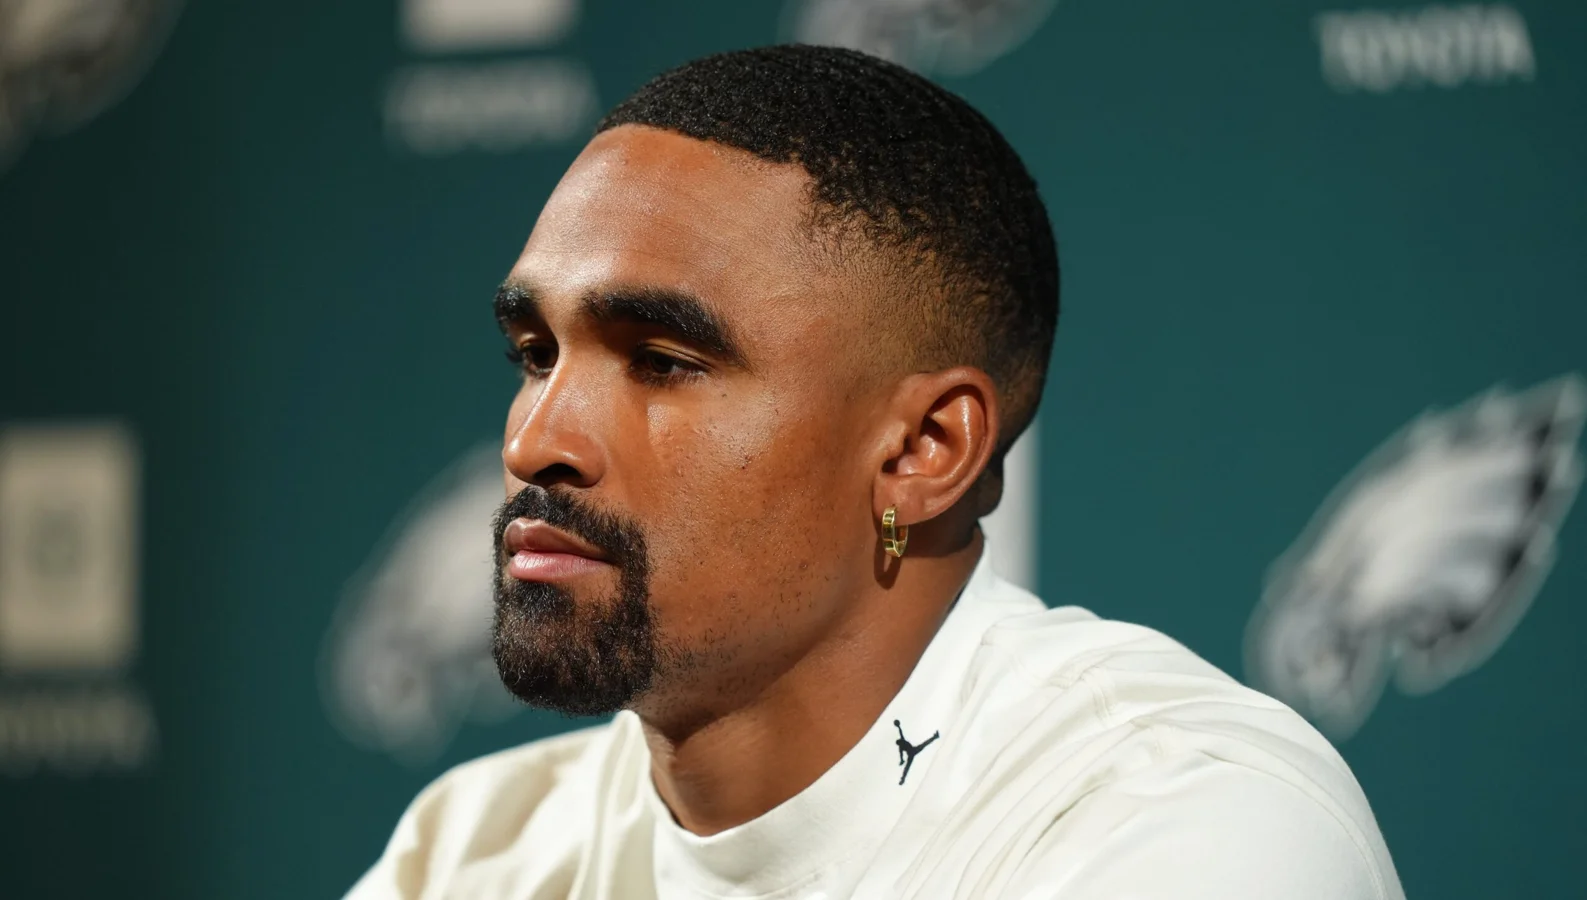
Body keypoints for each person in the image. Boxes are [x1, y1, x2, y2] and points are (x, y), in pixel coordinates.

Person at [348, 44, 1402, 899]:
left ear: (922, 451)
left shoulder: (1185, 820)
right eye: (536, 354)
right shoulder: (477, 851)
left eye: (663, 362)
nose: (534, 442)